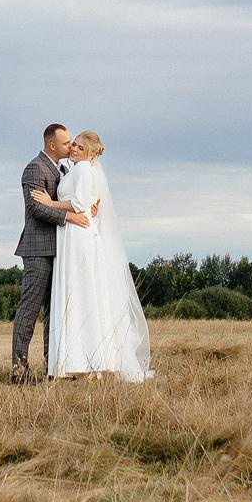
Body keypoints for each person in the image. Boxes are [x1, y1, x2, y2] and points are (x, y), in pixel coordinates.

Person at [30, 130, 153, 382]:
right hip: (71, 235)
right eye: (71, 144)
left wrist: (49, 202)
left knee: (81, 295)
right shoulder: (75, 169)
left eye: (76, 146)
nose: (72, 149)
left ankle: (90, 361)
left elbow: (78, 204)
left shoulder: (84, 169)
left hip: (78, 236)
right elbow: (87, 203)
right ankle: (79, 362)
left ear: (86, 152)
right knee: (79, 296)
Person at [11, 122, 89, 384]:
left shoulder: (65, 168)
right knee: (29, 310)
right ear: (52, 145)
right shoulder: (35, 168)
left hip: (60, 250)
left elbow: (75, 198)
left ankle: (53, 368)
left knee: (55, 313)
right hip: (38, 250)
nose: (71, 146)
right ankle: (19, 371)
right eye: (67, 143)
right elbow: (36, 209)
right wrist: (69, 217)